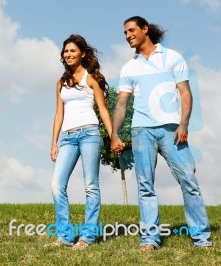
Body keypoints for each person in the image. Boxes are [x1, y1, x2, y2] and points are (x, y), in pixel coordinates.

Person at [111, 16, 212, 251]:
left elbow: (185, 93)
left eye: (131, 30)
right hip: (141, 131)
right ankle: (149, 239)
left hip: (171, 130)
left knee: (189, 181)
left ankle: (202, 238)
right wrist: (115, 134)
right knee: (145, 186)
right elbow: (121, 105)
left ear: (145, 30)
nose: (127, 35)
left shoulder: (172, 57)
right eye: (125, 33)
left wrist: (184, 124)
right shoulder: (129, 67)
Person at [49, 34, 112, 250]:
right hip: (67, 137)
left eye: (72, 51)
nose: (68, 54)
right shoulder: (61, 83)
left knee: (90, 186)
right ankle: (65, 236)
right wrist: (54, 143)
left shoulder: (91, 78)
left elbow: (103, 110)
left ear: (82, 53)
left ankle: (87, 237)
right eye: (65, 51)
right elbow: (59, 114)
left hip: (89, 134)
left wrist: (113, 136)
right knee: (57, 185)